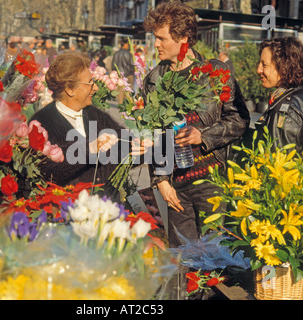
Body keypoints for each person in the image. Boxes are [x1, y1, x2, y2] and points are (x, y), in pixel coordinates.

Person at [142, 1, 250, 248]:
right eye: (154, 37)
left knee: (217, 259)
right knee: (183, 260)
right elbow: (154, 135)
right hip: (175, 186)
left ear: (184, 39)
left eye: (161, 38)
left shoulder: (215, 73)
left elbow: (239, 120)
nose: (155, 44)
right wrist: (161, 180)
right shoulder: (153, 80)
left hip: (212, 182)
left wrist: (203, 135)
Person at [29, 51, 147, 200]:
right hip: (68, 211)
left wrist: (139, 147)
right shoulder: (43, 122)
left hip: (107, 208)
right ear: (70, 90)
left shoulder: (95, 115)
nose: (96, 88)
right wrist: (89, 149)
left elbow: (124, 145)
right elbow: (46, 170)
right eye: (90, 83)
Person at [112, 38, 135, 103]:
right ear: (125, 44)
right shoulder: (128, 54)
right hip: (128, 74)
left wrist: (116, 73)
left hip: (119, 75)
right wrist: (131, 72)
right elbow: (132, 64)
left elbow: (113, 65)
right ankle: (128, 104)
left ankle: (120, 104)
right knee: (129, 90)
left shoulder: (116, 53)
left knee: (120, 90)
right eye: (128, 44)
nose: (128, 46)